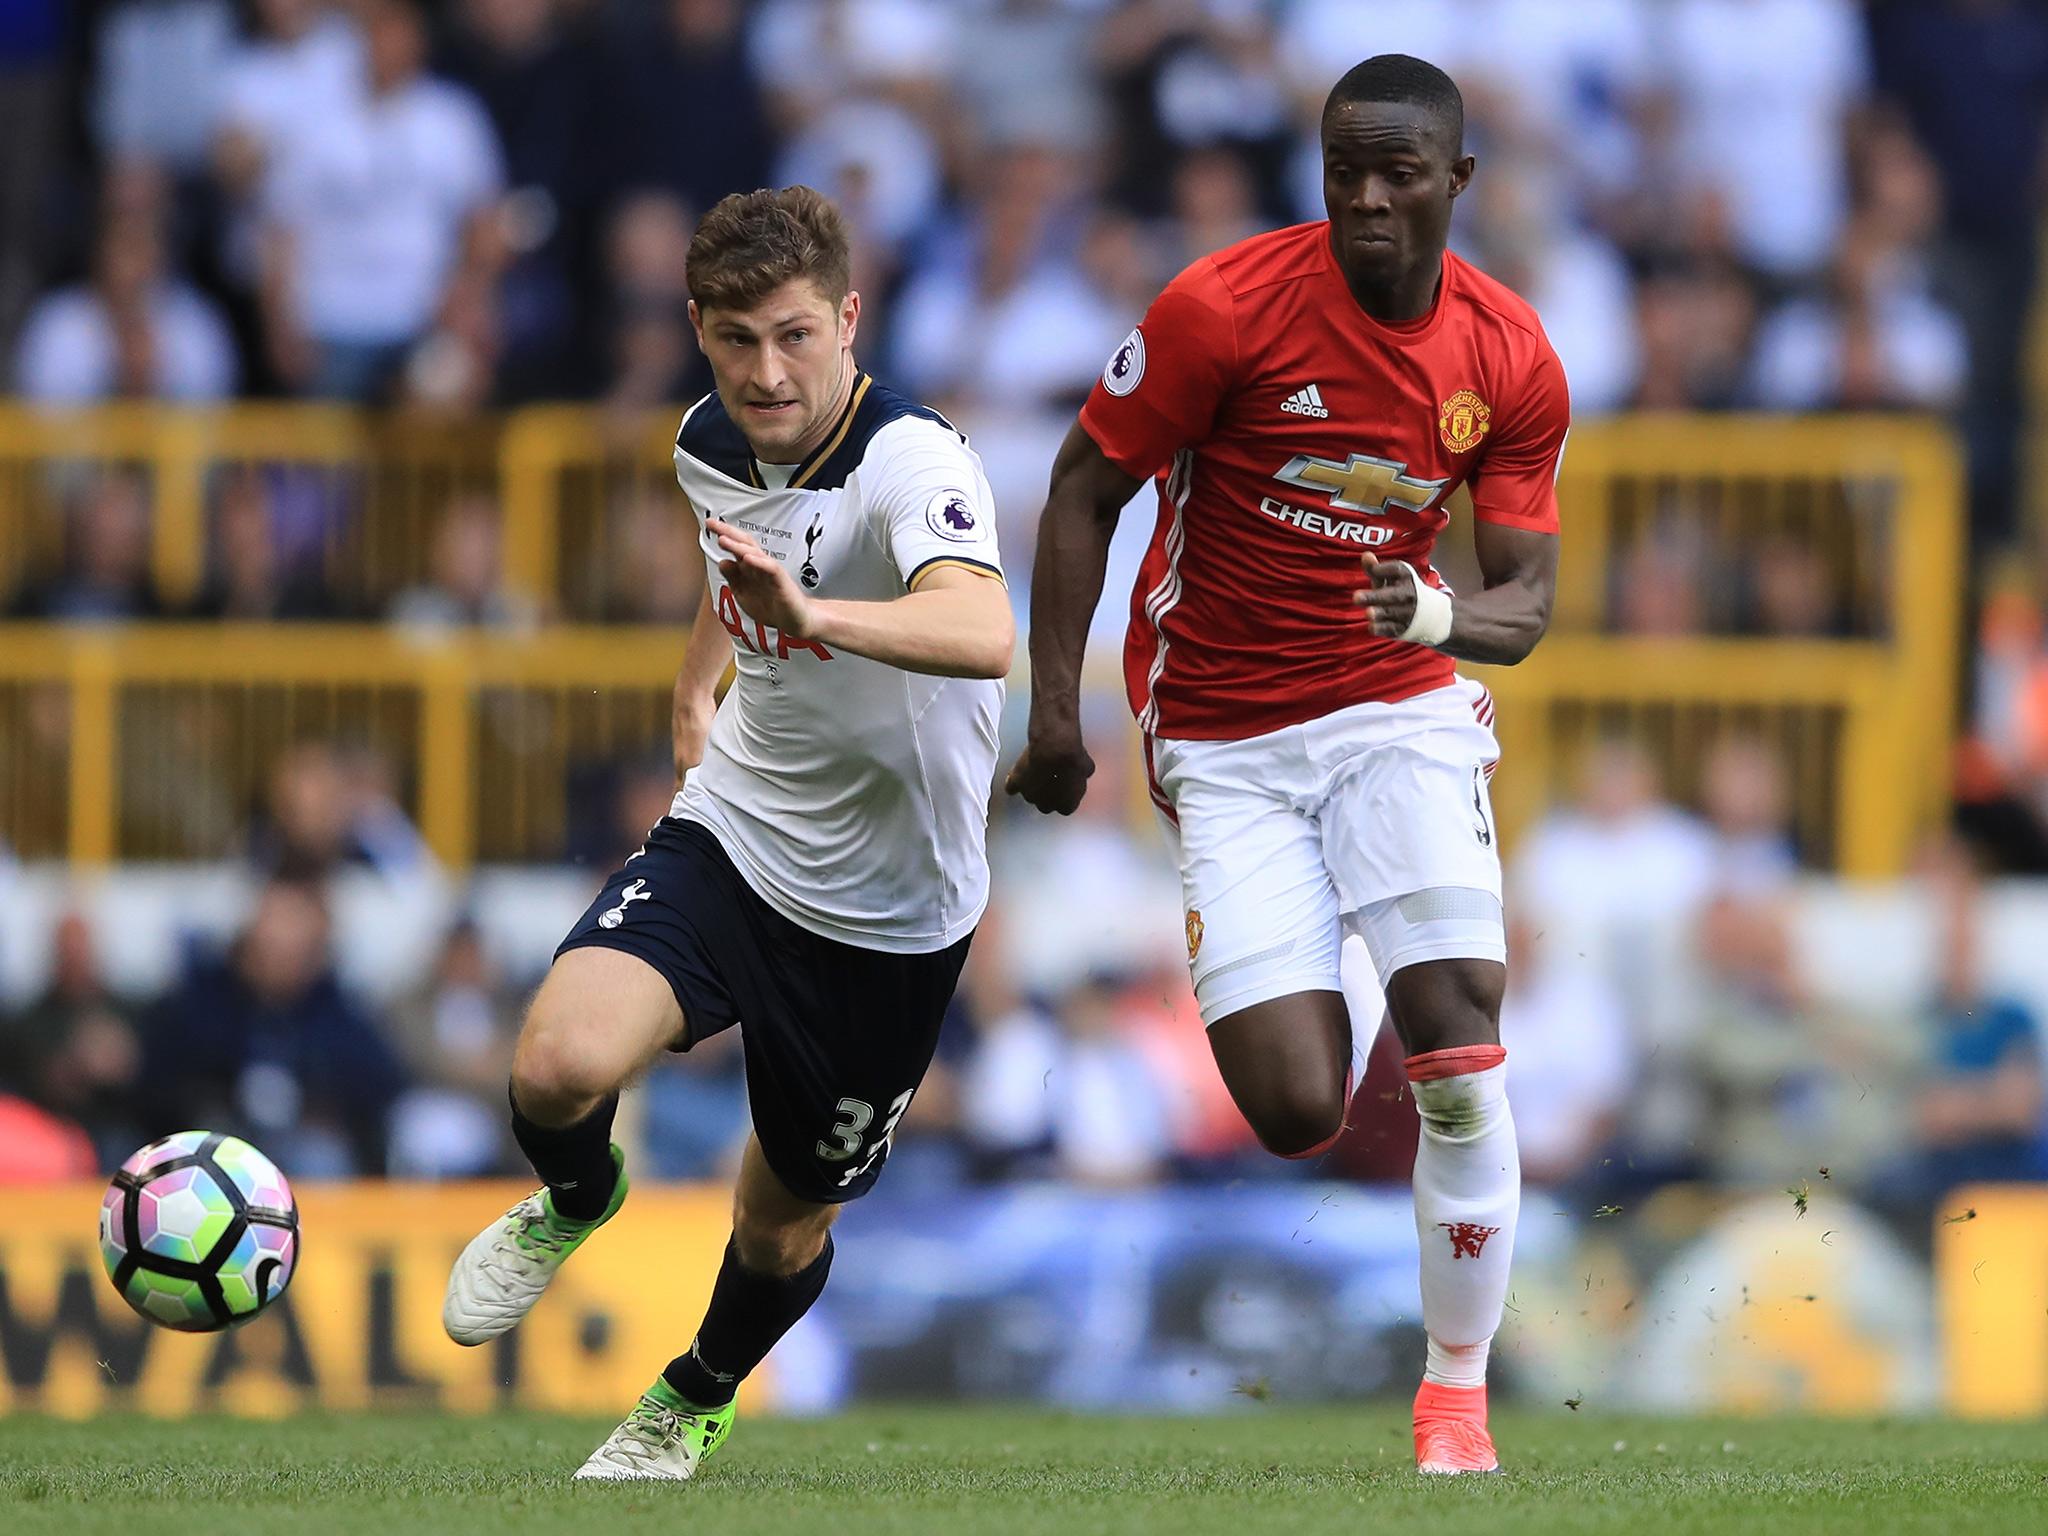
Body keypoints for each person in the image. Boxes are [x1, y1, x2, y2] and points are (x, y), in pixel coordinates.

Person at [1006, 55, 1568, 1475]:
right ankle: (1368, 931)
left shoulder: (1508, 358)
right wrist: (1061, 713)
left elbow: (1525, 607)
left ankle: (1454, 1399)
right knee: (1298, 1108)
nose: (1368, 200)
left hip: (1397, 705)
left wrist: (1431, 612)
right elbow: (1085, 486)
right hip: (1226, 731)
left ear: (1458, 184)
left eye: (1398, 175)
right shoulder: (1224, 309)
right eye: (1343, 173)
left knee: (1458, 1050)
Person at [440, 185, 1013, 1480]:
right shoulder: (706, 438)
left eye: (797, 337)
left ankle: (692, 1392)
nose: (768, 372)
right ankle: (580, 1197)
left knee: (778, 1223)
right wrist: (698, 683)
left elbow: (983, 634)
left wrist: (814, 618)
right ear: (696, 326)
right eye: (738, 339)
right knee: (556, 1068)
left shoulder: (912, 461)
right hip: (743, 832)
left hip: (893, 913)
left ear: (850, 319)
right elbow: (740, 558)